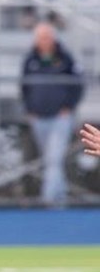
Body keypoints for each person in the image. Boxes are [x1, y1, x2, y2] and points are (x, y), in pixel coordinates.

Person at [21, 22, 84, 206]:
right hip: (38, 118)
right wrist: (29, 110)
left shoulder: (66, 58)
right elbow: (23, 87)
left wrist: (69, 106)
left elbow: (78, 84)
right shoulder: (30, 59)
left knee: (54, 158)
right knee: (50, 160)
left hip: (60, 117)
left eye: (47, 37)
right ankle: (60, 198)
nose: (44, 41)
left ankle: (47, 198)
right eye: (41, 37)